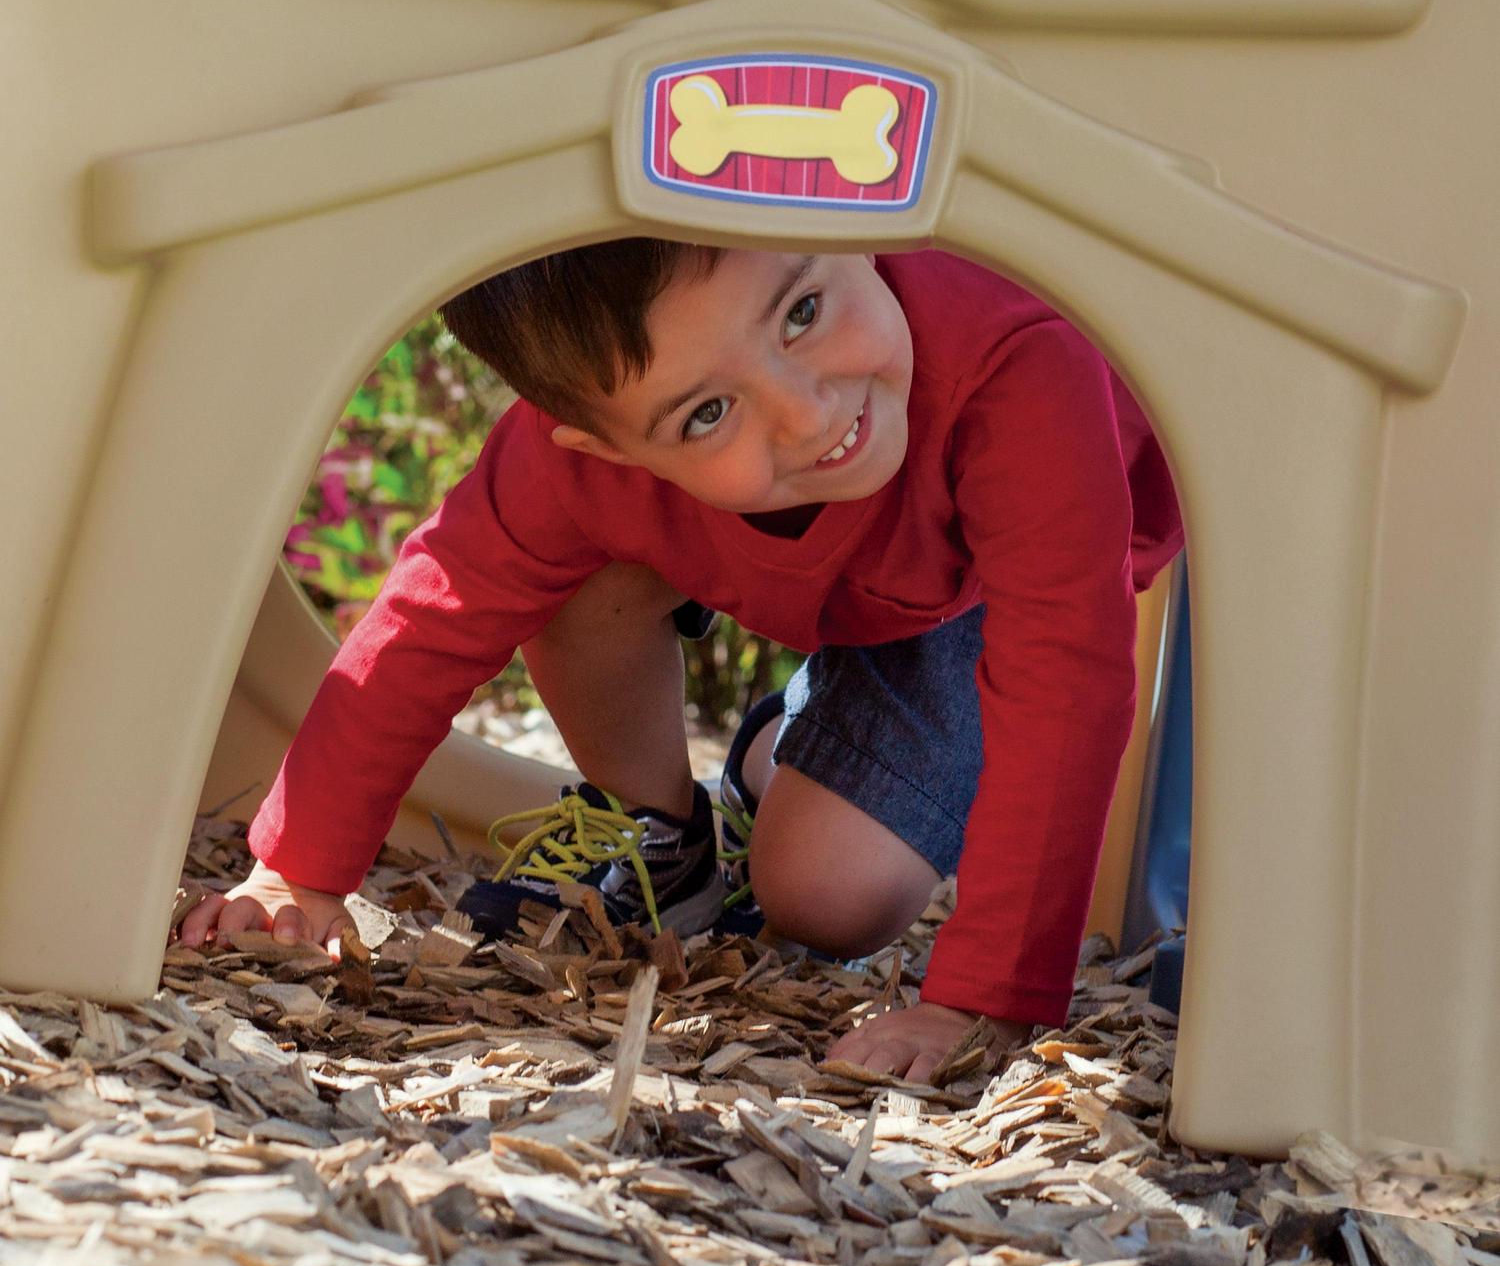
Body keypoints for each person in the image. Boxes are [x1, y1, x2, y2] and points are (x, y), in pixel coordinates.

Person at [178, 244, 1182, 1081]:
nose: (808, 412)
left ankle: (788, 749)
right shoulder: (569, 460)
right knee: (550, 567)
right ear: (600, 445)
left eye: (802, 313)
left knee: (827, 896)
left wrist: (979, 1004)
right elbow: (435, 615)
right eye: (706, 412)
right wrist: (295, 874)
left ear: (852, 227)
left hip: (993, 578)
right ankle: (665, 842)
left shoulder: (1017, 363)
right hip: (834, 579)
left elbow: (1062, 679)